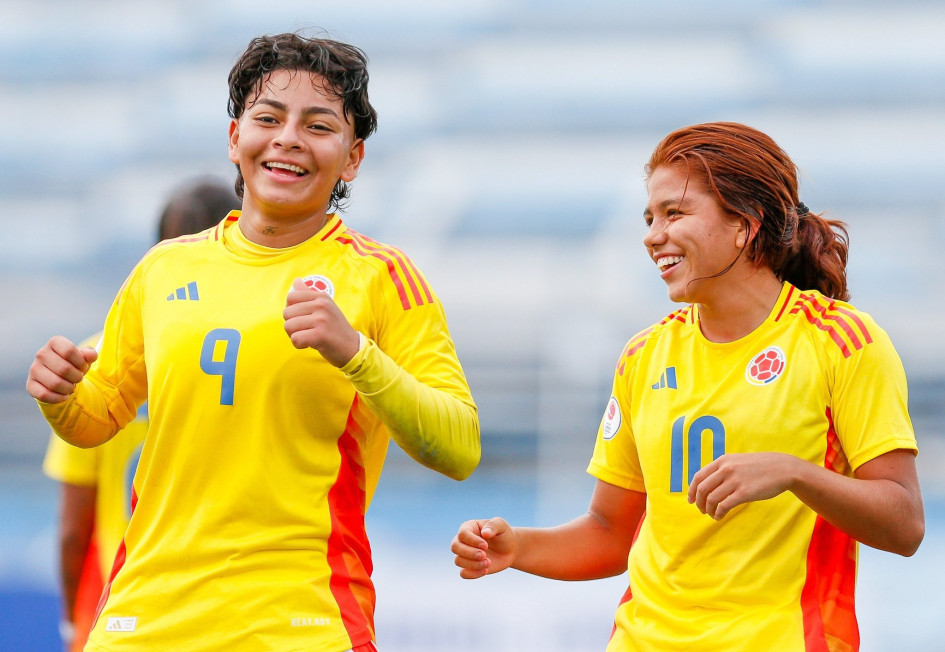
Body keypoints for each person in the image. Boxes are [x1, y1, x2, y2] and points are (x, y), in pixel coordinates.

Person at [28, 32, 480, 652]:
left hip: (301, 622)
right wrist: (60, 395)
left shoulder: (382, 278)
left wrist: (356, 354)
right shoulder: (164, 269)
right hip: (145, 620)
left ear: (352, 159)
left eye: (318, 125)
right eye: (269, 118)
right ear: (236, 138)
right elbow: (97, 417)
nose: (289, 138)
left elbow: (459, 447)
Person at [451, 122, 923, 651]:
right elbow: (610, 533)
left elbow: (904, 525)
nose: (653, 235)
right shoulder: (644, 354)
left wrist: (794, 474)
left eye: (675, 213)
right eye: (650, 217)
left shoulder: (841, 340)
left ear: (745, 224)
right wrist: (519, 548)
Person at [41, 178, 240, 652]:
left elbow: (73, 528)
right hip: (226, 608)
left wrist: (73, 620)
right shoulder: (257, 354)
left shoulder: (94, 357)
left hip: (122, 609)